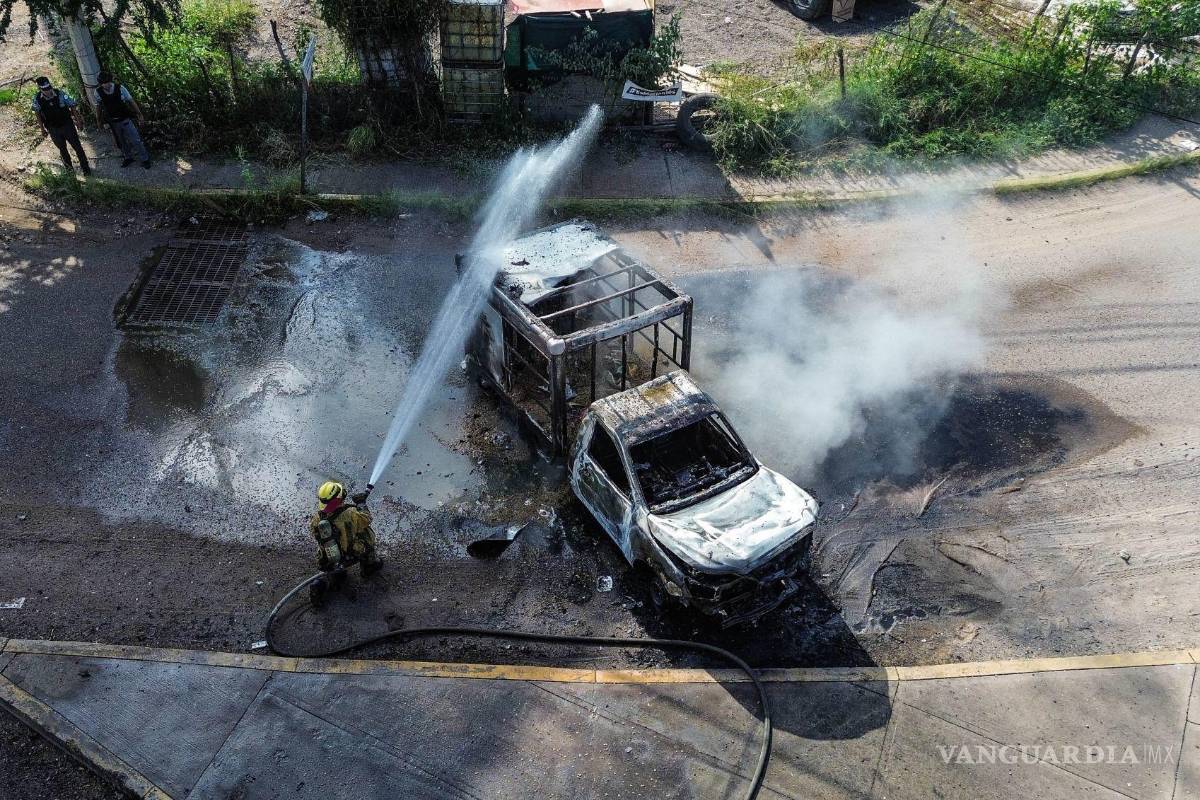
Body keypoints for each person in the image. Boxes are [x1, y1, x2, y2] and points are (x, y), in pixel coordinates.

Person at [308, 481, 383, 603]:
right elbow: (366, 518)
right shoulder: (351, 513)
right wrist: (361, 503)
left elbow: (315, 533)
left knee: (332, 574)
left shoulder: (317, 518)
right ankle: (369, 566)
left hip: (328, 558)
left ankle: (321, 584)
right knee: (366, 533)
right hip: (350, 555)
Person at [31, 77, 90, 175]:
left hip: (67, 126)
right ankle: (70, 171)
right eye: (45, 90)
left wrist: (78, 121)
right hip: (53, 128)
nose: (48, 91)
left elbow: (72, 105)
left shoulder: (60, 94)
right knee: (62, 149)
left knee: (77, 147)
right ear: (40, 89)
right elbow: (37, 113)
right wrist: (42, 129)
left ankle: (86, 169)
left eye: (49, 88)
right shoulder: (37, 99)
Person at [94, 71, 150, 169]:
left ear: (110, 81)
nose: (105, 85)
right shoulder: (98, 92)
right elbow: (98, 107)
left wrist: (139, 114)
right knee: (121, 142)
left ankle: (145, 159)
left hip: (125, 119)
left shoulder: (120, 88)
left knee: (135, 140)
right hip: (113, 122)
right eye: (103, 83)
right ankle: (128, 157)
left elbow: (131, 101)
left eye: (107, 82)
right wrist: (98, 120)